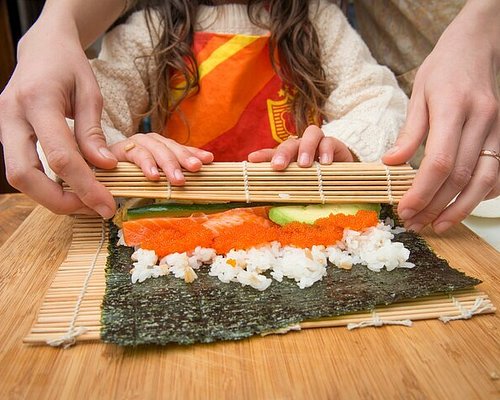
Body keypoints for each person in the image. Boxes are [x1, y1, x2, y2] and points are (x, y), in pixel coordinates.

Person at [0, 0, 498, 232]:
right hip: (187, 223)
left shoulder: (316, 19)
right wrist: (123, 147)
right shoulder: (152, 27)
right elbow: (74, 117)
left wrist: (341, 144)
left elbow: (382, 101)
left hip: (299, 223)